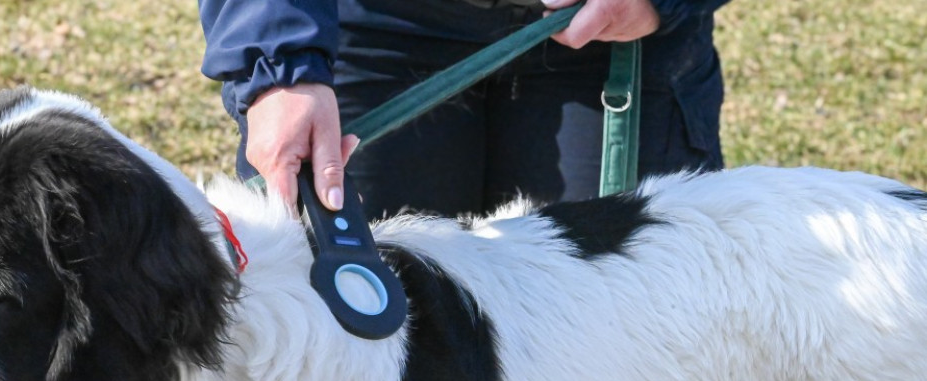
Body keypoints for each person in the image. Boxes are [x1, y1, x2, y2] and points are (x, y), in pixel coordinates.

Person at [198, 0, 731, 219]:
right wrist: (279, 62)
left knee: (630, 349)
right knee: (338, 335)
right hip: (361, 30)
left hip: (607, 33)